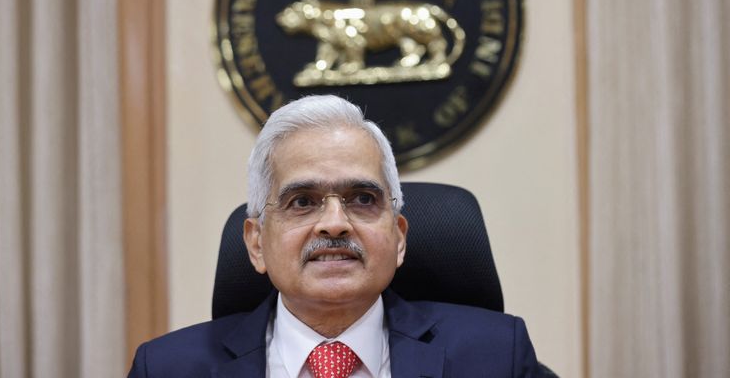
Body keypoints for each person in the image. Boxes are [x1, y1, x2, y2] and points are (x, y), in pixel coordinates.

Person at [128, 95, 541, 377]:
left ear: (399, 238)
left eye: (362, 198)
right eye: (302, 202)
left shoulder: (497, 356)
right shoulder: (167, 368)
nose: (334, 223)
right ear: (256, 243)